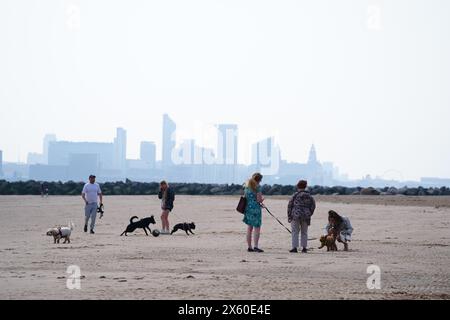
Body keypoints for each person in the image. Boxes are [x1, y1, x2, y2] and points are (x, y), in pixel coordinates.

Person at [287, 180, 316, 253]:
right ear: (305, 186)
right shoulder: (309, 196)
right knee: (304, 232)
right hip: (306, 215)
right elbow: (313, 206)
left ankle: (294, 248)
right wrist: (309, 213)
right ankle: (304, 248)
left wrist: (289, 216)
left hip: (295, 214)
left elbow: (290, 205)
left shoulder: (295, 195)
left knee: (295, 232)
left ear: (298, 186)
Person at [243, 173, 265, 253]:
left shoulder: (247, 187)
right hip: (256, 209)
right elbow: (259, 200)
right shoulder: (257, 187)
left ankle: (249, 247)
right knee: (257, 228)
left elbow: (245, 197)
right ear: (259, 180)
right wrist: (262, 200)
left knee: (249, 228)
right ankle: (256, 246)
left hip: (248, 208)